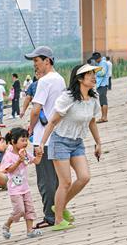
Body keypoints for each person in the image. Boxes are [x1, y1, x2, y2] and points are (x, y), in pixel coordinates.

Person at [38, 62, 103, 231]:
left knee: (84, 177)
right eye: (90, 74)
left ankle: (60, 205)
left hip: (77, 142)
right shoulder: (67, 97)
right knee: (65, 181)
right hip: (60, 141)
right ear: (80, 78)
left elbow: (92, 122)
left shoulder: (93, 98)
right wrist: (41, 143)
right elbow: (52, 121)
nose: (94, 77)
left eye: (94, 74)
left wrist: (98, 142)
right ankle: (58, 220)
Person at [25, 45, 66, 228]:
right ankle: (59, 211)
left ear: (47, 61)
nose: (34, 65)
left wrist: (30, 128)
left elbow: (36, 110)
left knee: (45, 180)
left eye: (36, 60)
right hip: (58, 135)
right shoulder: (60, 79)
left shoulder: (44, 81)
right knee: (57, 178)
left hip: (43, 138)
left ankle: (50, 216)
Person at [0, 127, 41, 240]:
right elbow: (8, 169)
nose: (25, 143)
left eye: (26, 140)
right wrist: (19, 161)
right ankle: (7, 224)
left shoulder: (25, 153)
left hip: (25, 187)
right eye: (22, 140)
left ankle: (30, 231)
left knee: (29, 209)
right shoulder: (9, 155)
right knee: (19, 210)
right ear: (13, 141)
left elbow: (36, 161)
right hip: (14, 189)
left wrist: (39, 154)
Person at [97, 54, 113, 123]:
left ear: (99, 58)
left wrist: (95, 71)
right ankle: (103, 117)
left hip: (103, 84)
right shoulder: (100, 63)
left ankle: (104, 117)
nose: (95, 60)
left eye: (96, 58)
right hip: (100, 84)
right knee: (101, 101)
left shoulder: (103, 63)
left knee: (103, 101)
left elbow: (102, 73)